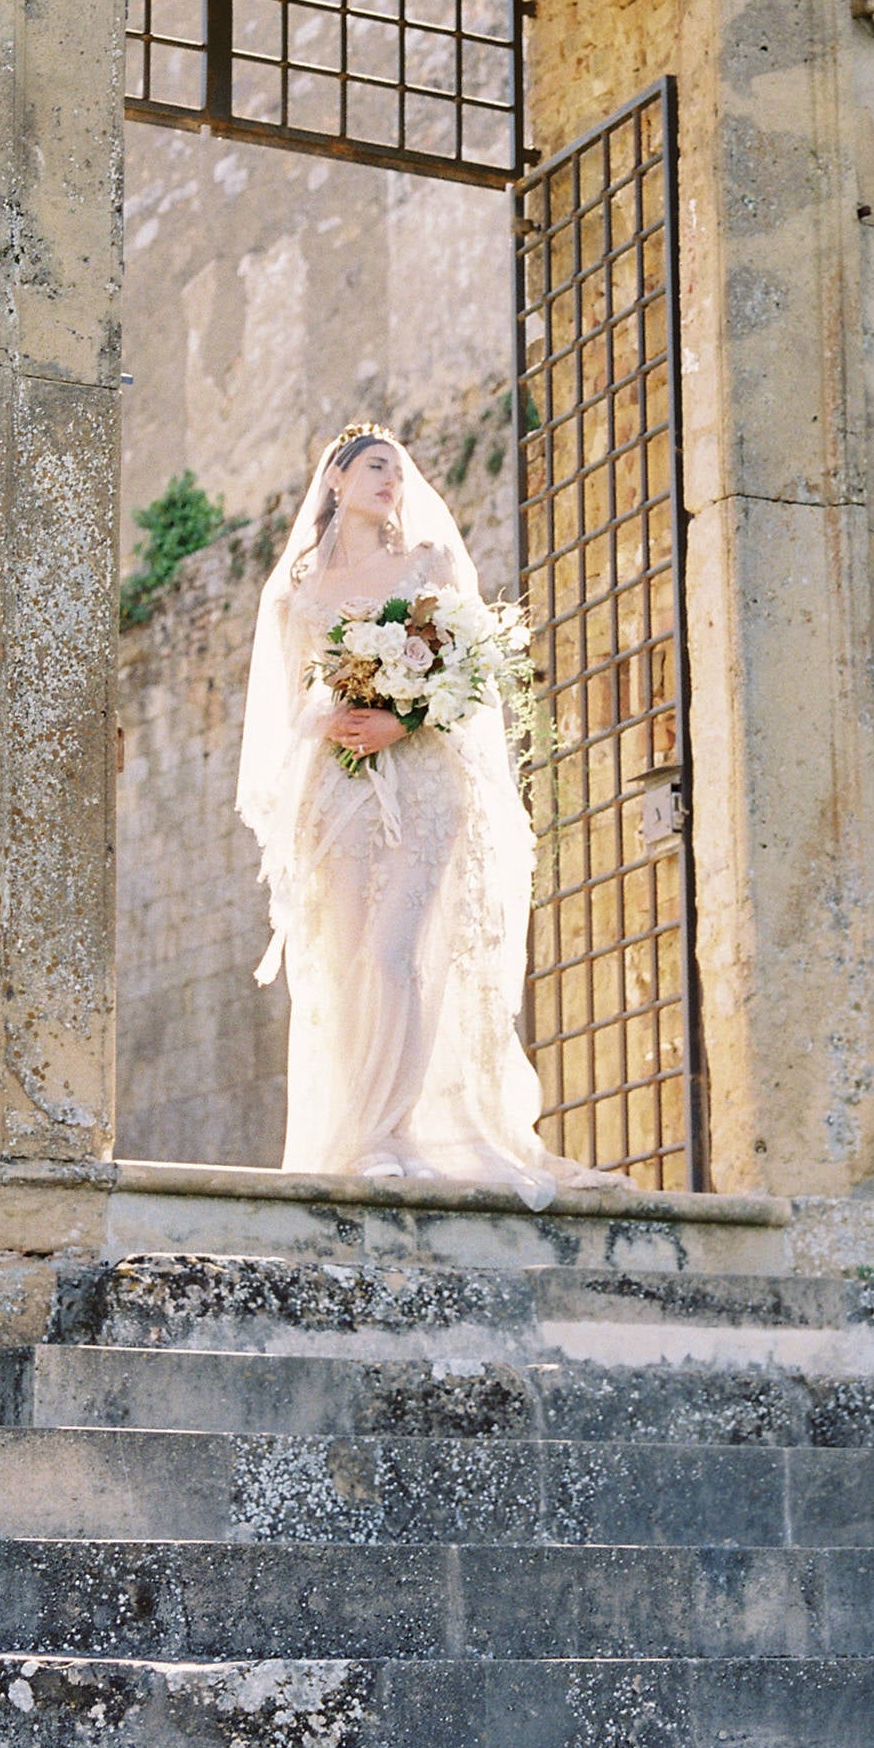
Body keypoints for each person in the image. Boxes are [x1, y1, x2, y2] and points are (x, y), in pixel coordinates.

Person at [235, 424, 561, 1203]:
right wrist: (338, 718)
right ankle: (355, 1135)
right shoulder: (296, 589)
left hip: (420, 779)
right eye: (375, 466)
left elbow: (473, 677)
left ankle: (393, 1130)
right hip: (337, 788)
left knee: (394, 955)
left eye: (399, 470)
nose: (392, 480)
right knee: (345, 966)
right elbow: (288, 709)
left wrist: (402, 719)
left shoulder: (430, 564)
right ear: (336, 480)